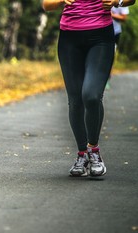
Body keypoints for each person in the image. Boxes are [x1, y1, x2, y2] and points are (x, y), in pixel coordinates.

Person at [41, 0, 135, 177]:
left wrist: (117, 2)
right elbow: (46, 4)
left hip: (101, 39)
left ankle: (94, 150)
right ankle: (82, 154)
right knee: (75, 100)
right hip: (69, 40)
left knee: (91, 95)